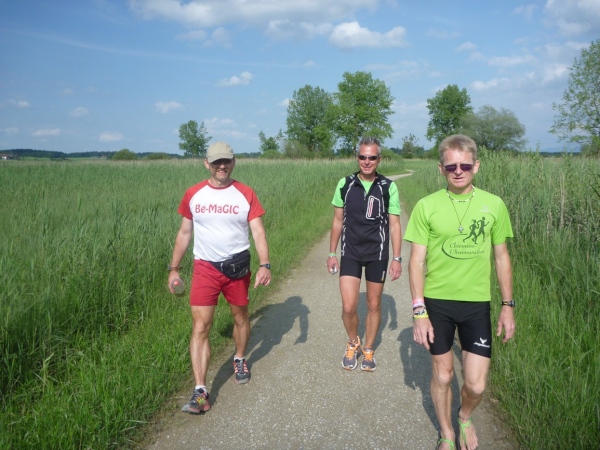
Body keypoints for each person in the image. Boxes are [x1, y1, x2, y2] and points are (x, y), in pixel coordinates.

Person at [404, 134, 515, 450]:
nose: (458, 171)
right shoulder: (427, 206)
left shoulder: (494, 204)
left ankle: (464, 416)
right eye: (451, 166)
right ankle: (447, 433)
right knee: (442, 376)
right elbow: (416, 262)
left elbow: (501, 257)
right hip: (437, 302)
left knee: (476, 385)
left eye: (465, 165)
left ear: (476, 166)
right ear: (440, 168)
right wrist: (419, 311)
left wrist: (507, 305)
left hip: (476, 304)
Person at [168, 141, 271, 414]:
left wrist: (265, 264)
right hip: (205, 268)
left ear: (233, 162)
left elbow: (258, 231)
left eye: (226, 161)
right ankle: (200, 391)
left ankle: (239, 358)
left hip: (237, 267)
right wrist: (174, 268)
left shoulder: (245, 193)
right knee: (200, 326)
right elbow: (184, 233)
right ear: (207, 164)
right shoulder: (194, 194)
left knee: (240, 318)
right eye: (216, 162)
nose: (221, 166)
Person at [327, 136, 402, 372]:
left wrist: (397, 258)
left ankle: (368, 348)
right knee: (349, 306)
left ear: (379, 159)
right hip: (350, 251)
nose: (367, 161)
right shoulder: (345, 184)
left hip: (377, 254)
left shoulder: (388, 187)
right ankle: (353, 342)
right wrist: (331, 252)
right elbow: (337, 221)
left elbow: (395, 225)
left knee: (373, 304)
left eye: (372, 157)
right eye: (362, 157)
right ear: (357, 158)